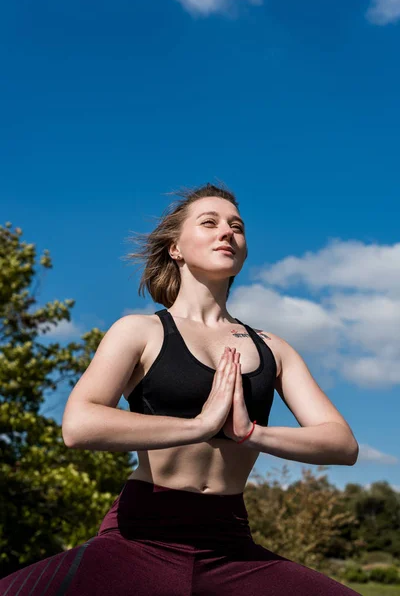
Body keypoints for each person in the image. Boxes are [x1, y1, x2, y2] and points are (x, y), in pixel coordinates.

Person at [0, 183, 361, 595]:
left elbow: (342, 443)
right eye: (209, 223)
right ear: (175, 248)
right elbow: (79, 424)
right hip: (140, 537)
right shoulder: (140, 332)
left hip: (230, 546)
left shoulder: (273, 348)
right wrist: (201, 424)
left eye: (236, 226)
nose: (227, 232)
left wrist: (251, 434)